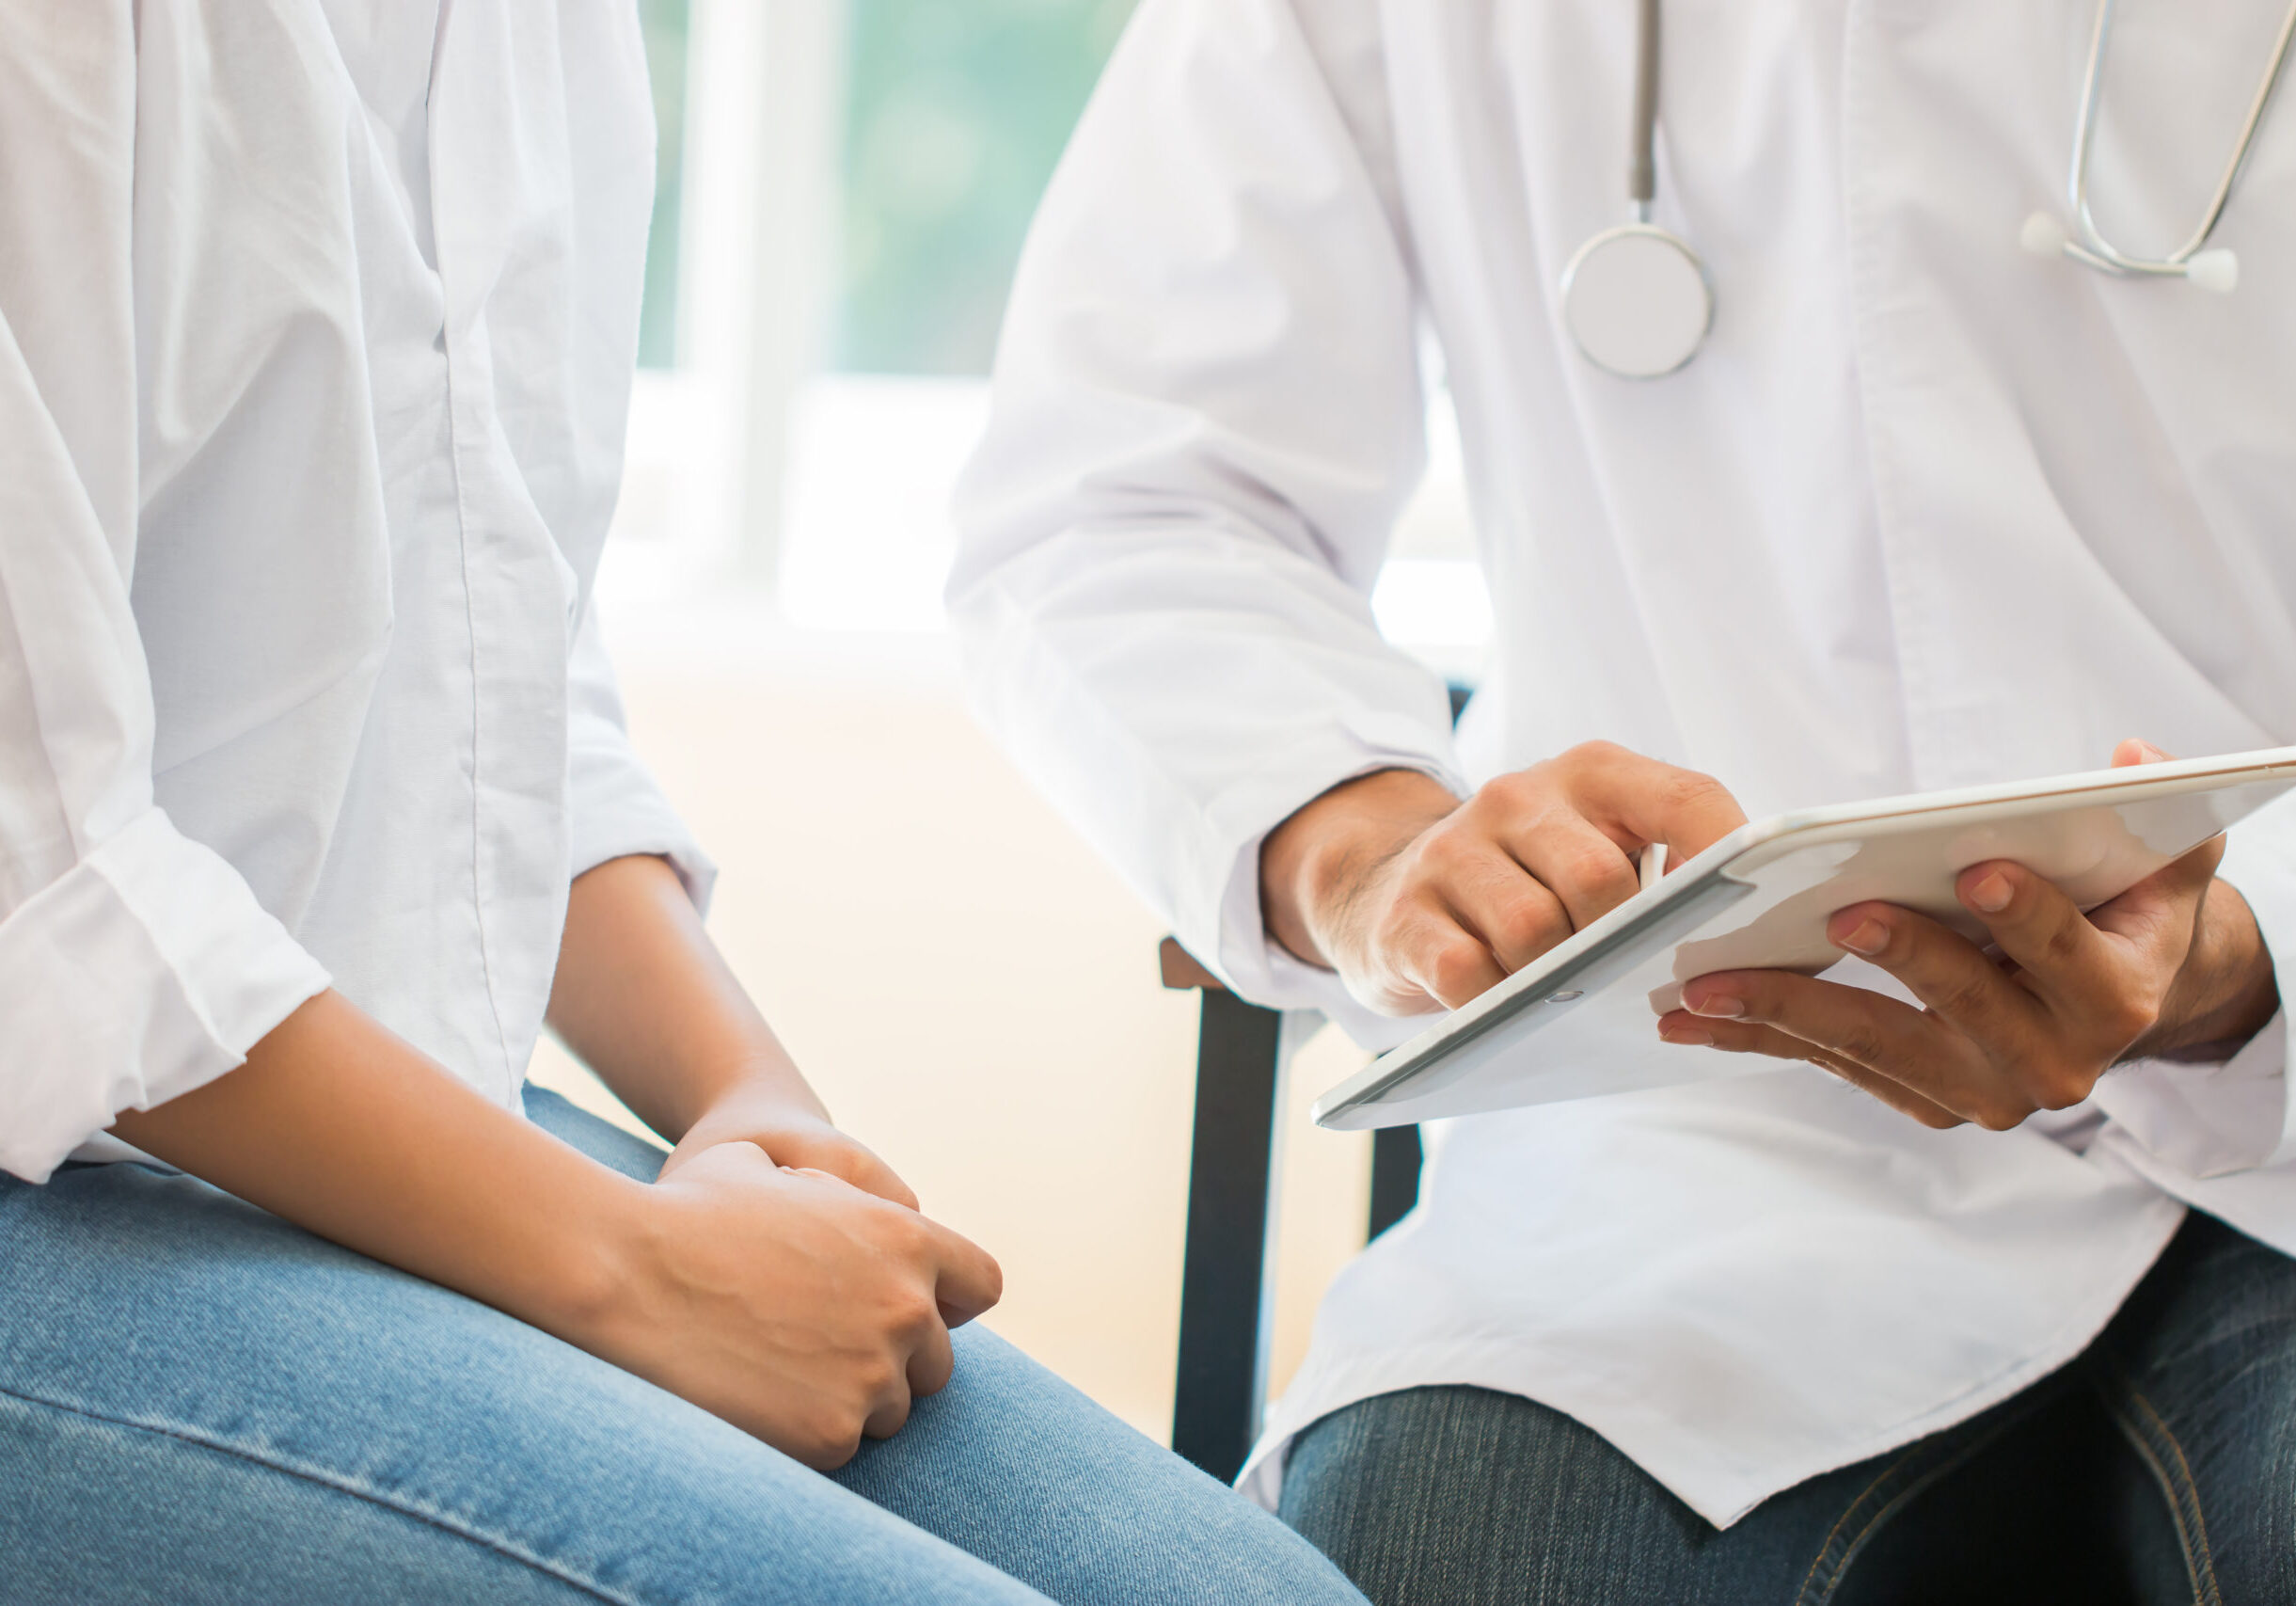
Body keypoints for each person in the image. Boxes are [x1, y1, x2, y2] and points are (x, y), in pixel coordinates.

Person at [0, 8, 1371, 1604]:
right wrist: (637, 1267)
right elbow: (40, 896)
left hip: (397, 1113)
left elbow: (494, 700)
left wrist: (748, 1106)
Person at [948, 1, 2296, 1599]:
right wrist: (1362, 846)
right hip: (1693, 1144)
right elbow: (1126, 504)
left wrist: (2242, 946)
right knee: (1442, 1556)